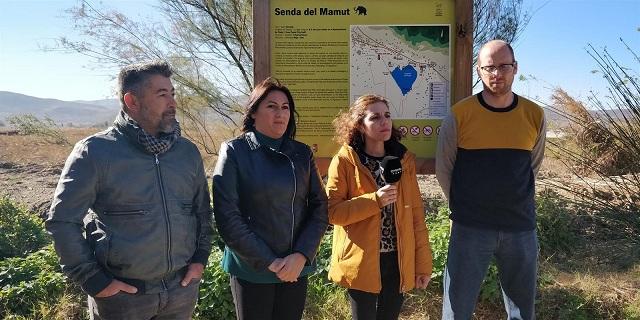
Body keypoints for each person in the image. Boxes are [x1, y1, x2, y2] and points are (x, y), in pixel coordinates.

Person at [46, 61, 212, 320]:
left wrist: (200, 259)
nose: (172, 102)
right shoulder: (95, 152)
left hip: (181, 292)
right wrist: (95, 281)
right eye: (162, 94)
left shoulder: (186, 152)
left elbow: (202, 211)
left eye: (173, 94)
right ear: (132, 101)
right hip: (123, 300)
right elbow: (62, 221)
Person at [436, 39, 546, 320]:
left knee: (522, 310)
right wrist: (463, 206)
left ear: (515, 68)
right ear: (478, 71)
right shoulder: (460, 115)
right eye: (489, 68)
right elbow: (444, 168)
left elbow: (532, 165)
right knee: (456, 309)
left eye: (504, 66)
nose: (496, 73)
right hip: (470, 228)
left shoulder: (534, 114)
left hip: (520, 227)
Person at [212, 77, 328, 320]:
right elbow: (227, 216)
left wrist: (301, 255)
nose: (280, 113)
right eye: (271, 106)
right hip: (251, 268)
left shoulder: (302, 153)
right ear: (253, 112)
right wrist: (270, 261)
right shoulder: (235, 151)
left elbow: (319, 207)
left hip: (295, 266)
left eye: (285, 107)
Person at [326, 94, 433, 320]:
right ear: (360, 126)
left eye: (387, 115)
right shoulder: (345, 161)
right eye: (375, 117)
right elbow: (333, 212)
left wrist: (422, 265)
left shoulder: (403, 160)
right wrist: (374, 200)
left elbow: (416, 215)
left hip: (398, 259)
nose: (384, 122)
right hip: (361, 260)